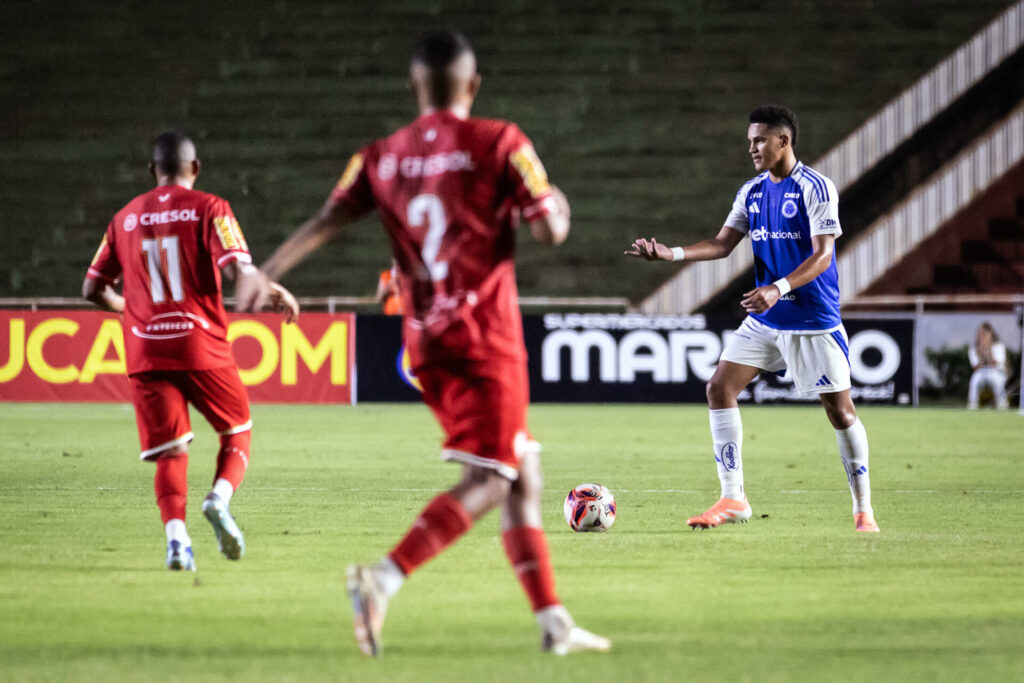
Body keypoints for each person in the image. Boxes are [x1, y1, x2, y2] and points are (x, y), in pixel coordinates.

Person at [236, 30, 610, 656]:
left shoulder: (381, 155)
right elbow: (549, 230)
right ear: (474, 84)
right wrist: (559, 205)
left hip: (424, 341)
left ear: (414, 87)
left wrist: (262, 273)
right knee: (494, 477)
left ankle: (554, 623)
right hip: (487, 339)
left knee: (524, 472)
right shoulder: (501, 141)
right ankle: (381, 580)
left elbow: (327, 219)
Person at [626, 105, 879, 534]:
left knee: (839, 412)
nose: (752, 148)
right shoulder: (752, 192)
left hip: (811, 318)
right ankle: (733, 496)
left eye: (760, 140)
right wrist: (673, 253)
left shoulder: (816, 188)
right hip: (766, 318)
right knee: (719, 388)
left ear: (784, 140)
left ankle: (863, 510)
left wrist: (778, 287)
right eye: (749, 141)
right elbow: (723, 243)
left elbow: (822, 256)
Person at [83, 132, 299, 571]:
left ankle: (177, 542)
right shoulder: (210, 208)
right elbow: (238, 264)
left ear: (151, 171)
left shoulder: (123, 218)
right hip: (200, 342)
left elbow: (91, 287)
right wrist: (270, 287)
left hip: (145, 347)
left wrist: (133, 311)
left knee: (170, 451)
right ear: (195, 168)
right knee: (237, 430)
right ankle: (218, 500)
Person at [967, 322, 1009, 409]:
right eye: (981, 334)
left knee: (997, 380)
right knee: (975, 380)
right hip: (981, 372)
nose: (983, 337)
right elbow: (975, 367)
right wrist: (980, 353)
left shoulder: (999, 346)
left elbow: (997, 363)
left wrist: (988, 351)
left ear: (990, 334)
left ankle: (1002, 402)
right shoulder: (974, 348)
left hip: (997, 372)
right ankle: (973, 403)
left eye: (985, 334)